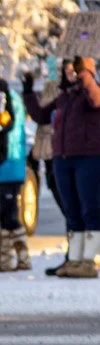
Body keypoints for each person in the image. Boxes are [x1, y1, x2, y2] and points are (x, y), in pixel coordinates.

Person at [23, 58, 100, 278]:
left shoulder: (94, 92)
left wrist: (85, 76)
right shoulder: (64, 98)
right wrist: (28, 92)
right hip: (63, 158)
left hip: (89, 158)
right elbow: (41, 116)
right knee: (72, 211)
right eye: (67, 70)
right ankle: (75, 258)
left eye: (75, 70)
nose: (70, 74)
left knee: (90, 209)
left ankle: (90, 260)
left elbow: (97, 100)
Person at [0, 75, 31, 273]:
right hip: (9, 163)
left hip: (8, 164)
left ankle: (17, 256)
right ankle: (11, 256)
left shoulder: (5, 97)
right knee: (6, 213)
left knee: (8, 214)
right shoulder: (8, 95)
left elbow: (6, 124)